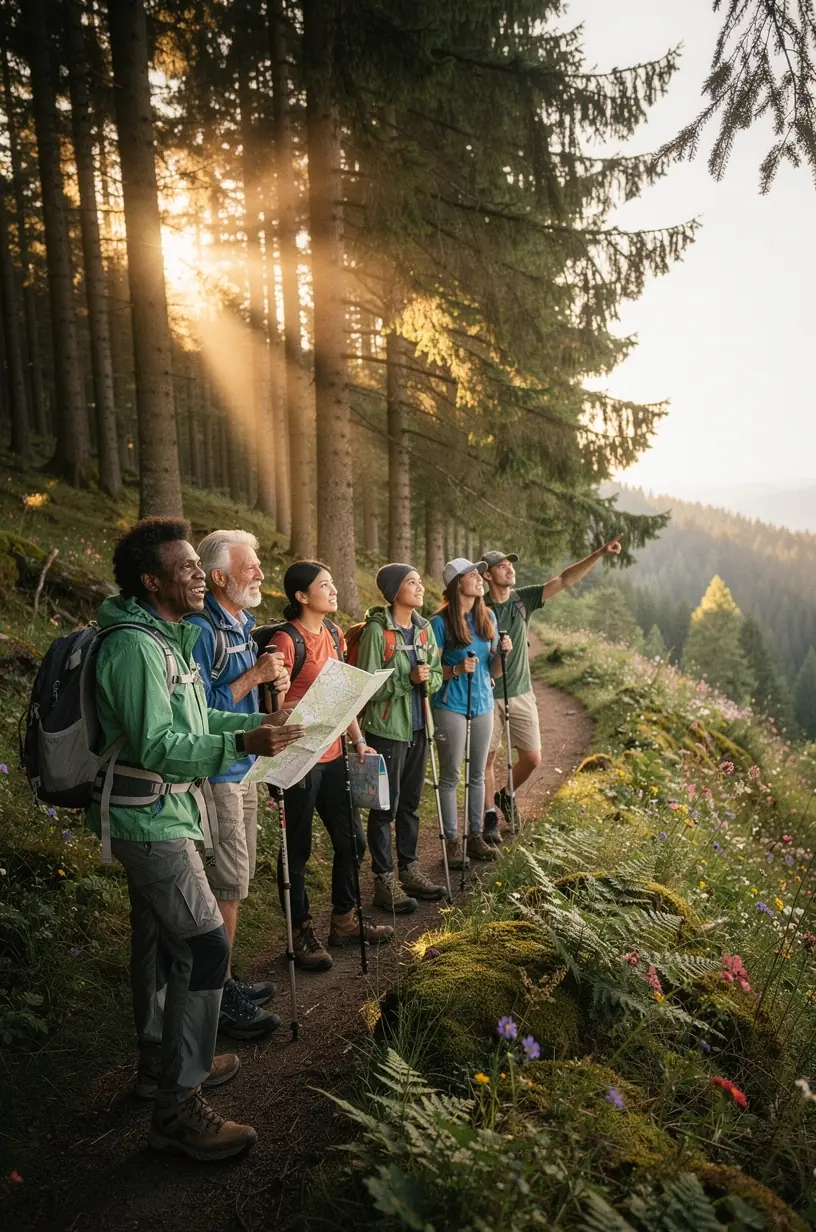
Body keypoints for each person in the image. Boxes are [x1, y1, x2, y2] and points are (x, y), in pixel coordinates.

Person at [87, 518, 304, 1162]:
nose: (197, 577)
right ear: (152, 580)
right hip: (148, 822)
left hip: (168, 816)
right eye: (184, 568)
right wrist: (240, 742)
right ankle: (177, 1106)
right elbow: (158, 744)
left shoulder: (168, 638)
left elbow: (197, 715)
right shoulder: (133, 647)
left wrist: (255, 721)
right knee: (206, 947)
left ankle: (161, 1068)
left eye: (196, 565)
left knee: (165, 948)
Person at [187, 530, 290, 1040]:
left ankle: (224, 979)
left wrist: (273, 694)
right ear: (219, 577)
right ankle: (219, 998)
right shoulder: (202, 630)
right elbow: (199, 711)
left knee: (236, 880)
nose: (260, 574)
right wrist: (256, 675)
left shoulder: (242, 624)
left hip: (243, 767)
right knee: (226, 881)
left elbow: (243, 702)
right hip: (217, 770)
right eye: (250, 567)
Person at [268, 561, 394, 971]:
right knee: (298, 850)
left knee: (351, 841)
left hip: (335, 753)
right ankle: (301, 930)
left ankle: (344, 920)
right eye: (325, 585)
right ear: (302, 596)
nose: (334, 589)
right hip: (298, 757)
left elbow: (340, 694)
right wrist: (302, 709)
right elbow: (269, 709)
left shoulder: (335, 635)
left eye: (333, 582)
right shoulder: (286, 641)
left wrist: (358, 740)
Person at [481, 537, 622, 841]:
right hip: (486, 694)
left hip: (520, 690)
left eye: (510, 565)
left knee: (532, 758)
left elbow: (564, 580)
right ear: (487, 575)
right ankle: (489, 817)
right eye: (501, 566)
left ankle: (507, 794)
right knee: (488, 760)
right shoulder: (478, 608)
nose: (509, 569)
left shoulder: (522, 600)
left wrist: (598, 553)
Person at [356, 563, 447, 914]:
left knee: (409, 805)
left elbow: (436, 675)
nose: (420, 587)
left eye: (420, 582)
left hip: (418, 728)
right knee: (384, 808)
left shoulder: (424, 630)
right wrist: (406, 680)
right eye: (412, 583)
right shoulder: (378, 632)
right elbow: (366, 687)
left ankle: (409, 869)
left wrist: (427, 680)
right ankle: (383, 878)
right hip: (386, 731)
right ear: (395, 591)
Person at [429, 558, 511, 868]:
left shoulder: (486, 616)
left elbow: (495, 671)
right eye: (472, 575)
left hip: (483, 704)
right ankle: (452, 843)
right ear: (456, 584)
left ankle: (474, 837)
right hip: (450, 704)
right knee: (451, 776)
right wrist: (456, 668)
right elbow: (433, 673)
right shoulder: (439, 624)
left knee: (477, 773)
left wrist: (504, 655)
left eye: (478, 574)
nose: (479, 579)